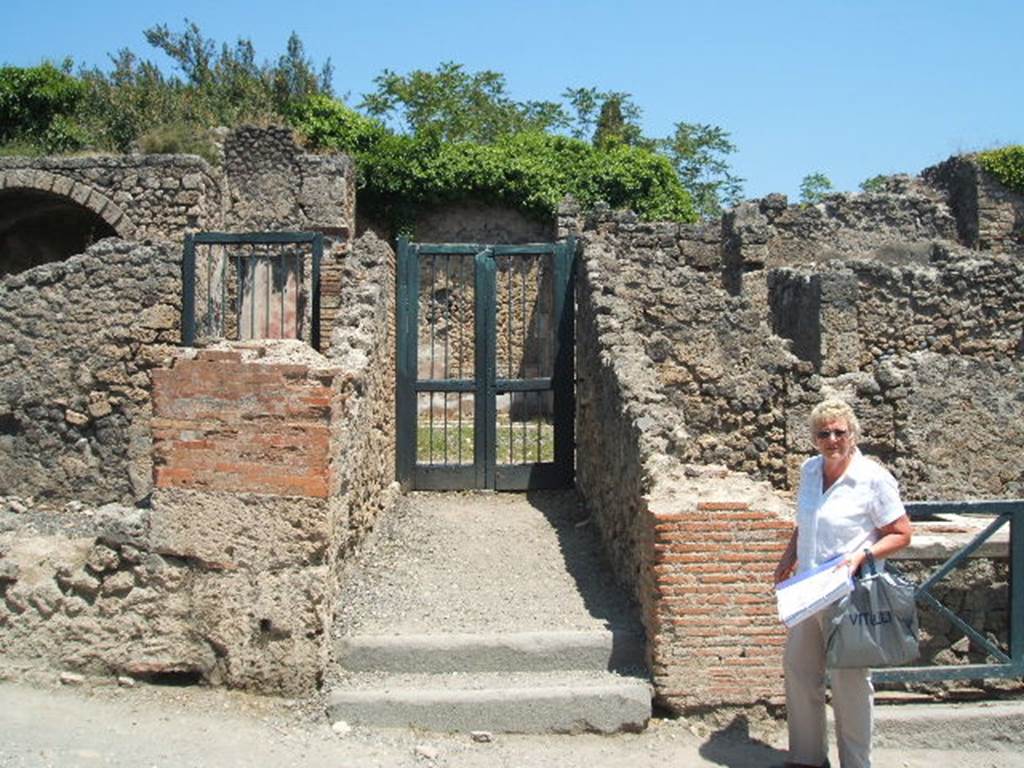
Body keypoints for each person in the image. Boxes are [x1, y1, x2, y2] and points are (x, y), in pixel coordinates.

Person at [773, 398, 912, 768]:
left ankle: (856, 763)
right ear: (814, 438)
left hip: (849, 593)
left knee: (850, 683)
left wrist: (861, 556)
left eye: (839, 431)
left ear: (852, 433)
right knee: (800, 671)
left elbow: (901, 534)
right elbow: (807, 520)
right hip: (808, 590)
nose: (832, 439)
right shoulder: (809, 470)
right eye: (824, 433)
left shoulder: (872, 477)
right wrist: (789, 557)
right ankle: (806, 758)